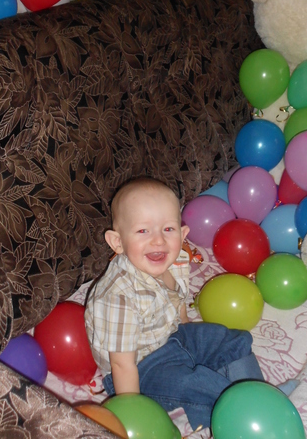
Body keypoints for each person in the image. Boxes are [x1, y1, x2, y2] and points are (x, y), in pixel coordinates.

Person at [85, 176, 265, 430]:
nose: (158, 240)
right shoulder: (117, 297)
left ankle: (257, 392)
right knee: (193, 384)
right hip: (141, 368)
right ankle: (242, 415)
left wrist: (191, 334)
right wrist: (136, 413)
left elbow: (178, 299)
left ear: (183, 234)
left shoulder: (177, 257)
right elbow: (122, 365)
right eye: (143, 231)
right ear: (118, 242)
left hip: (174, 338)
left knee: (232, 339)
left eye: (168, 229)